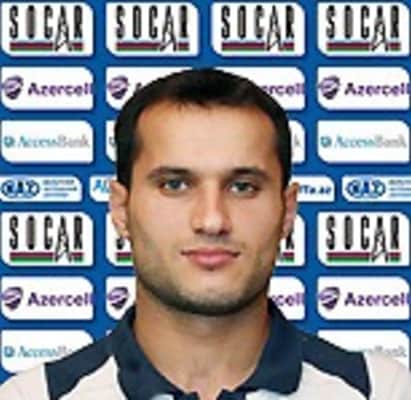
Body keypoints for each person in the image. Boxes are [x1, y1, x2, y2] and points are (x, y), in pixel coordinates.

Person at [0, 68, 409, 400]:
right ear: (121, 210)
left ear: (287, 211)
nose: (212, 220)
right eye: (175, 185)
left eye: (243, 187)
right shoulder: (32, 396)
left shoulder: (383, 391)